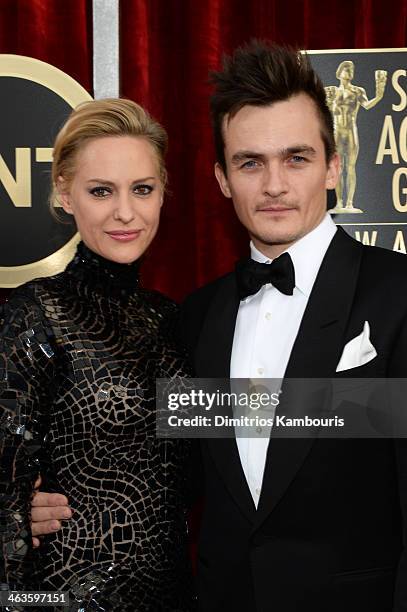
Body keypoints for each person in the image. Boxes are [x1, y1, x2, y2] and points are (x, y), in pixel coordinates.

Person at [31, 43, 407, 612]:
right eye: (250, 162)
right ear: (222, 178)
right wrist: (28, 499)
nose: (274, 184)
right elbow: (158, 465)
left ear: (335, 166)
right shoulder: (198, 316)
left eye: (297, 158)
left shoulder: (398, 291)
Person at [0, 98, 195, 611]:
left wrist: (370, 408)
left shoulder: (177, 320)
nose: (125, 212)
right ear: (65, 193)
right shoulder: (33, 315)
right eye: (101, 191)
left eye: (142, 189)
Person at [325, 60, 387, 212]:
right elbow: (323, 113)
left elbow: (367, 105)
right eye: (346, 69)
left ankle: (350, 203)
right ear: (339, 73)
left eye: (350, 70)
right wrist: (328, 101)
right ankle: (339, 203)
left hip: (351, 130)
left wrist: (379, 95)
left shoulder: (358, 91)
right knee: (338, 168)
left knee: (351, 167)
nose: (348, 72)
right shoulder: (332, 91)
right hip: (336, 131)